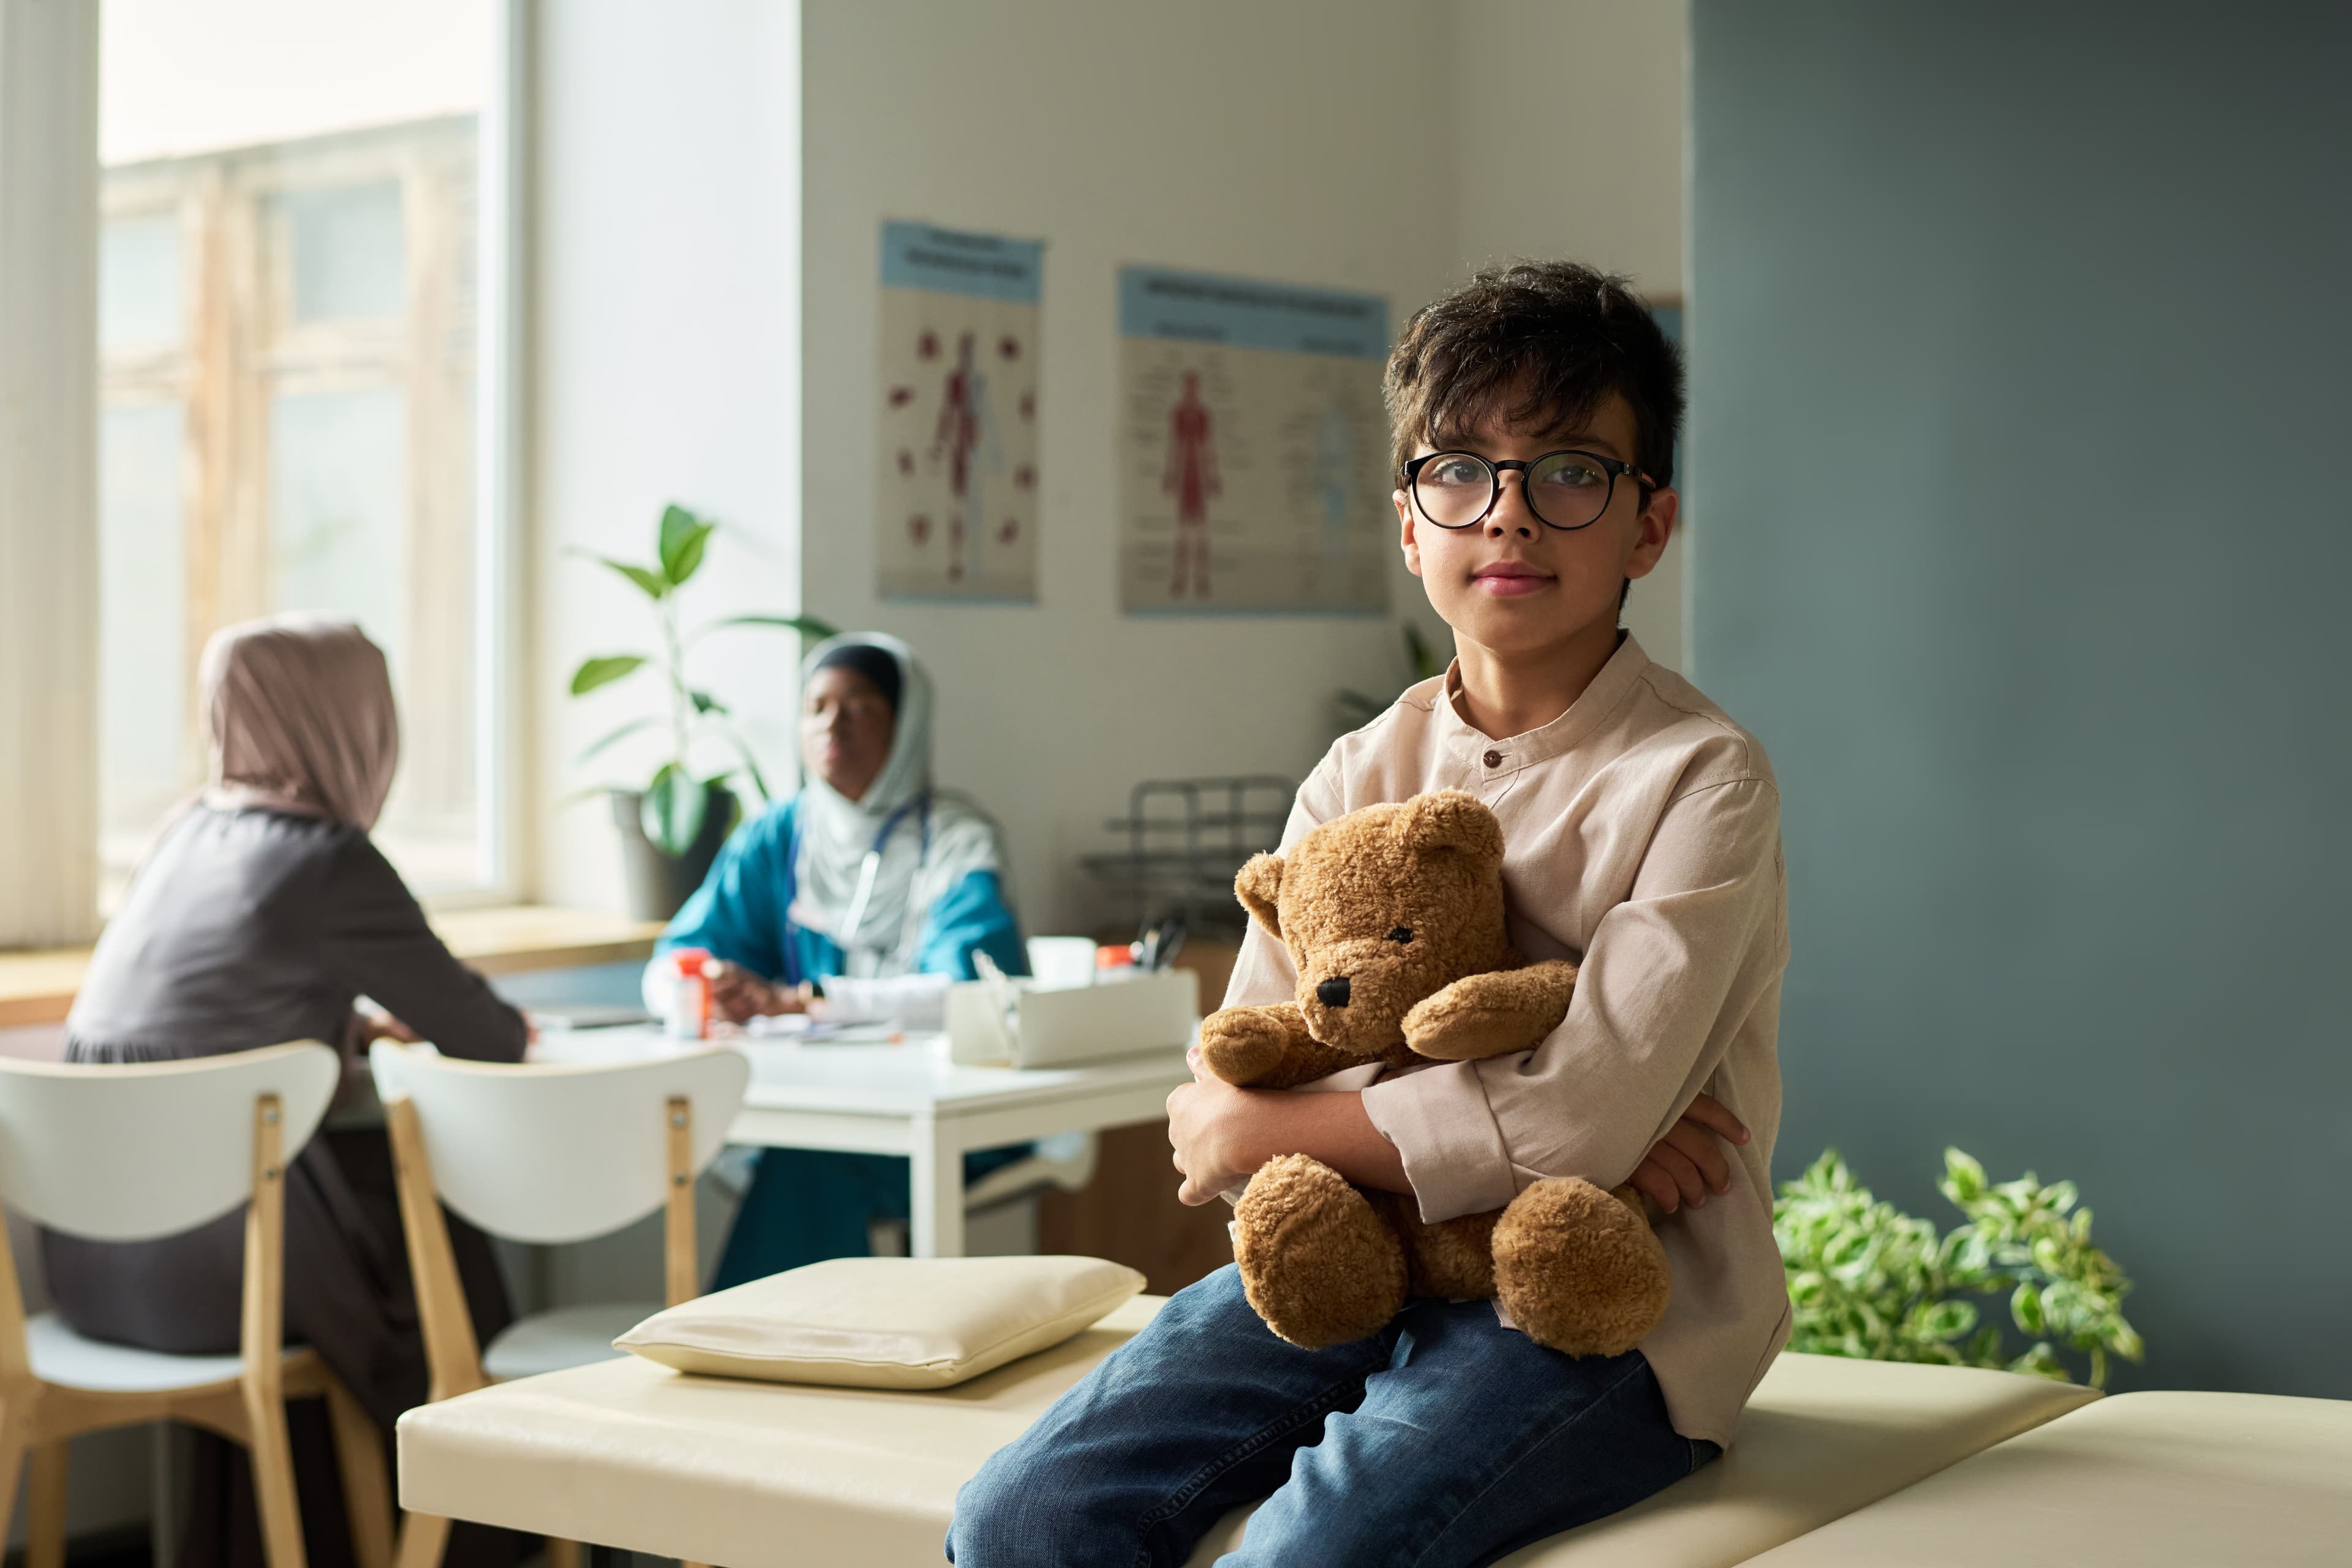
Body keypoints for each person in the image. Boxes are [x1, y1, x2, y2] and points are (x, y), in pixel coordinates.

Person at [949, 262, 1785, 1567]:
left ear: (1648, 525)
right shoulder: (1354, 773)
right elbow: (1248, 1074)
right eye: (1461, 470)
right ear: (1410, 523)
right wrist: (1566, 1124)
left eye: (1570, 472)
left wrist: (1561, 1136)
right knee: (1021, 1517)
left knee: (1311, 1553)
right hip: (1352, 1264)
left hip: (1607, 1304)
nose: (1509, 515)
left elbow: (1554, 1122)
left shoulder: (1700, 777)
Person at [46, 615, 528, 1568]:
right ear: (355, 722)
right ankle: (485, 1537)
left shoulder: (183, 834)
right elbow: (491, 1036)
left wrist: (343, 1029)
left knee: (350, 1209)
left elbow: (195, 1022)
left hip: (89, 1281)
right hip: (223, 1285)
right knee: (440, 1254)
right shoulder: (328, 860)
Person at [649, 631, 1029, 1287]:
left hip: (951, 1117)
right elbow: (673, 960)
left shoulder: (958, 843)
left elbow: (970, 996)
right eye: (817, 707)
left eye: (860, 708)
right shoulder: (780, 836)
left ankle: (766, 1342)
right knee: (804, 1154)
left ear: (906, 726)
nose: (833, 725)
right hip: (830, 1108)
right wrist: (707, 988)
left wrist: (802, 1001)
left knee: (807, 1163)